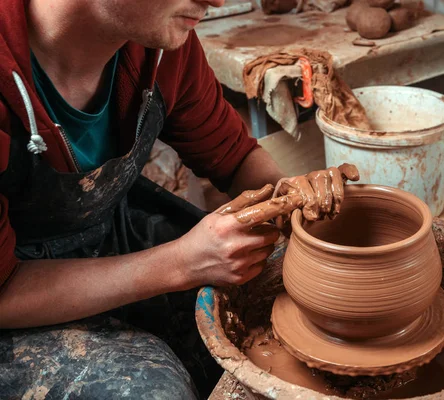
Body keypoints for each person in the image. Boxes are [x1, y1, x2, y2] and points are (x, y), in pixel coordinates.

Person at [0, 0, 358, 398]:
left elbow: (235, 158)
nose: (217, 1)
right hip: (16, 288)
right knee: (154, 391)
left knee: (268, 291)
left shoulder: (160, 45)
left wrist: (294, 195)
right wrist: (182, 263)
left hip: (104, 231)